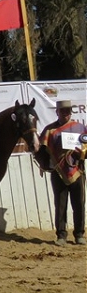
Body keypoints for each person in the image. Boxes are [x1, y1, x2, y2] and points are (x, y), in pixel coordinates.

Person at [36, 100, 86, 246]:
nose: (66, 114)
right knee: (60, 204)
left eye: (68, 111)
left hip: (77, 170)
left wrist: (82, 153)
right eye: (63, 111)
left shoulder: (80, 127)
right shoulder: (50, 130)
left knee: (79, 204)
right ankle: (61, 235)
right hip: (58, 171)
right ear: (57, 112)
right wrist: (44, 164)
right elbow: (40, 151)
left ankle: (79, 234)